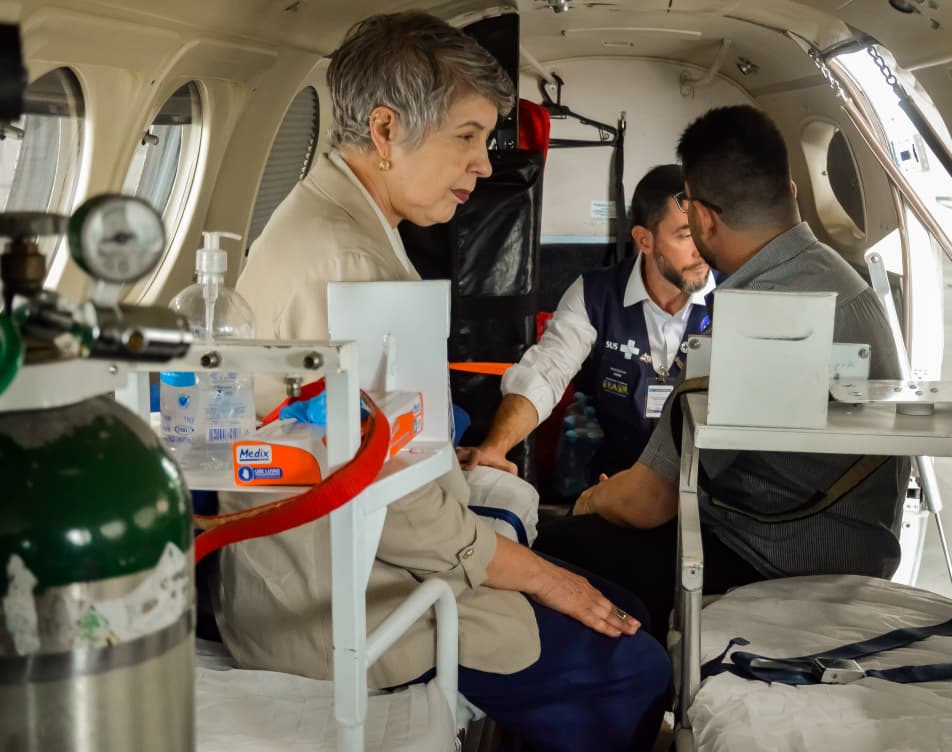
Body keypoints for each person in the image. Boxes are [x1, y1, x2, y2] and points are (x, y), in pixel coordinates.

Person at [220, 13, 669, 751]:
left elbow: (360, 441)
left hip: (342, 563)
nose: (484, 165)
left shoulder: (336, 221)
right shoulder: (351, 265)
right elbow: (392, 502)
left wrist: (446, 462)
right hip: (340, 601)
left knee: (620, 607)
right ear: (386, 129)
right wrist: (540, 576)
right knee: (633, 666)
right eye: (467, 136)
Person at [534, 105, 912, 635]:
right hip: (855, 545)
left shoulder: (756, 319)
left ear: (705, 219)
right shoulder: (850, 287)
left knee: (548, 551)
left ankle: (642, 684)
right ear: (790, 192)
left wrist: (589, 500)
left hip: (770, 557)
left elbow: (648, 503)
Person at [459, 164, 715, 480]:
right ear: (644, 240)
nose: (702, 249)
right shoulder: (594, 294)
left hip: (705, 485)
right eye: (686, 235)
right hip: (617, 482)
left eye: (706, 231)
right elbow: (545, 372)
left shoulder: (736, 294)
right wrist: (495, 448)